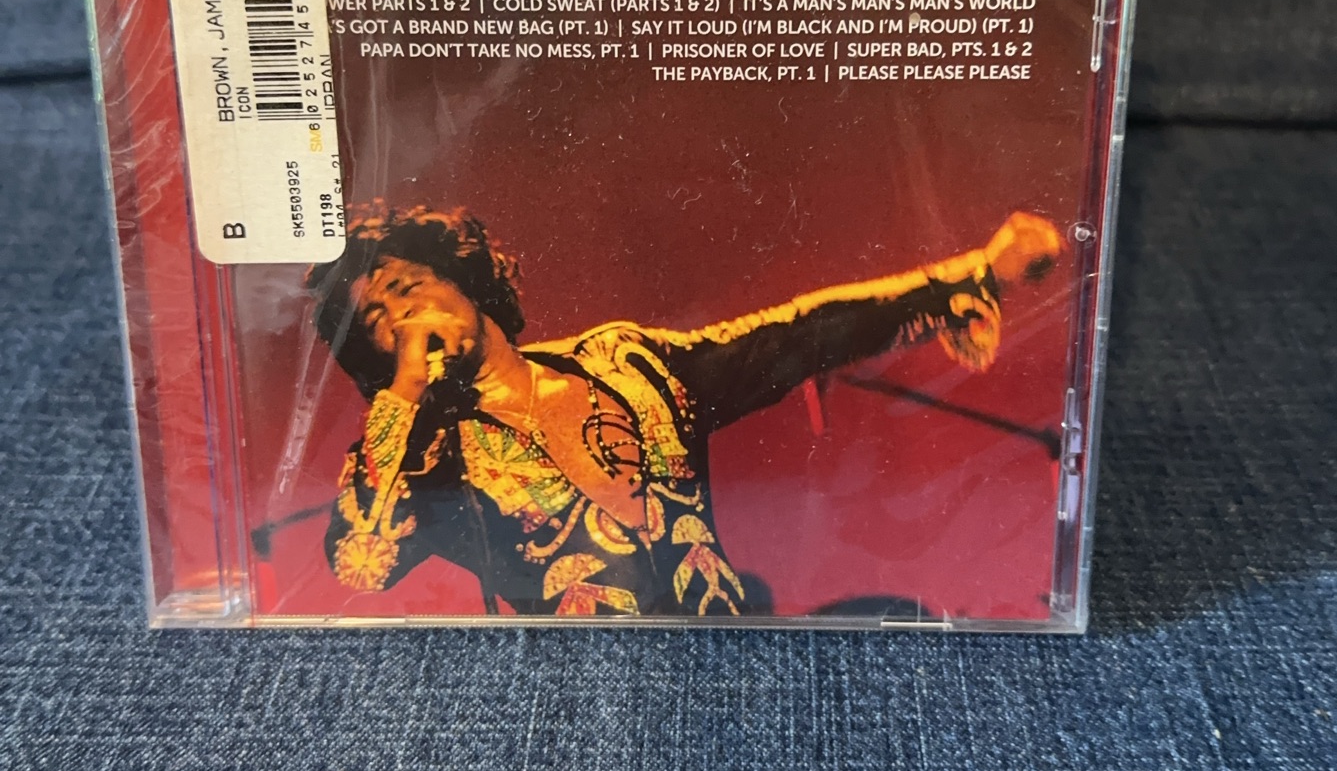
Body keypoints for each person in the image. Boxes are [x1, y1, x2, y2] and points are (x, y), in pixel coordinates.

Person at [308, 203, 1063, 617]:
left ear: (459, 278)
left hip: (723, 667)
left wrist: (973, 274)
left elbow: (790, 337)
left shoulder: (622, 361)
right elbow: (361, 565)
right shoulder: (422, 457)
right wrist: (404, 397)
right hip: (585, 717)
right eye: (376, 318)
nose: (399, 311)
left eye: (405, 284)